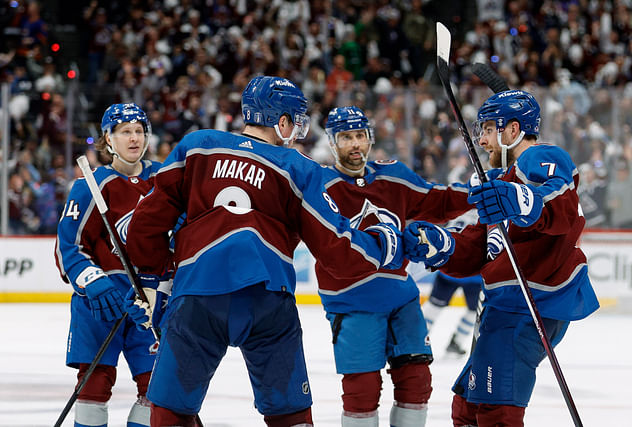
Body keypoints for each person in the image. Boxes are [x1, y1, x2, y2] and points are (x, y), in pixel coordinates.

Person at [121, 76, 434, 427]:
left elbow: (144, 224)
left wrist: (157, 276)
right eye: (295, 120)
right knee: (290, 415)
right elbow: (337, 249)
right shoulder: (297, 167)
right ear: (282, 122)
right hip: (267, 298)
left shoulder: (197, 146)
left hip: (198, 293)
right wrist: (387, 245)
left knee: (170, 410)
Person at [414, 89, 600, 426]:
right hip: (504, 305)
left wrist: (523, 199)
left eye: (486, 129)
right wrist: (441, 246)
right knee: (466, 407)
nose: (481, 141)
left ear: (512, 131)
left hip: (528, 304)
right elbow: (480, 246)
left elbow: (560, 203)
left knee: (496, 414)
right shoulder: (503, 182)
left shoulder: (539, 158)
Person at [318, 106, 471, 426]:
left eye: (360, 135)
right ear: (333, 143)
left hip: (400, 296)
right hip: (351, 301)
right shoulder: (320, 186)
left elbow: (437, 200)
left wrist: (477, 195)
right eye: (346, 137)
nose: (355, 144)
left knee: (417, 382)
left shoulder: (392, 175)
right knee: (362, 390)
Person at [54, 103, 160, 427]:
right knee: (94, 386)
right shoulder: (90, 185)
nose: (134, 138)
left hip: (149, 304)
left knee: (158, 390)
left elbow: (178, 242)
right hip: (101, 304)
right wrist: (94, 280)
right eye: (125, 131)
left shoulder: (163, 182)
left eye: (139, 131)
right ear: (108, 139)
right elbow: (67, 246)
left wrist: (162, 289)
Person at [420, 211, 483, 356]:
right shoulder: (486, 216)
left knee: (433, 307)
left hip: (449, 270)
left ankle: (417, 340)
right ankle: (457, 342)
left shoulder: (457, 211)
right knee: (475, 311)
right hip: (473, 275)